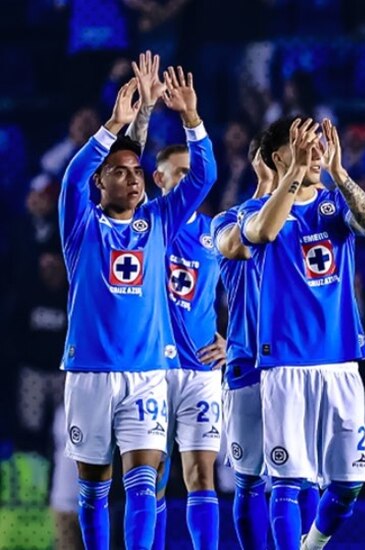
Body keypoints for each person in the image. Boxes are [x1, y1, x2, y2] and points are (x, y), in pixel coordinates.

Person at [59, 64, 216, 549]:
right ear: (100, 183)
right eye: (118, 172)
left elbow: (203, 177)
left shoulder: (159, 223)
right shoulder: (82, 227)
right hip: (89, 371)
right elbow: (73, 176)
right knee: (94, 488)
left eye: (136, 173)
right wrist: (114, 125)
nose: (131, 179)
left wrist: (190, 117)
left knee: (145, 484)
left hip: (146, 371)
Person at [240, 115, 365, 549]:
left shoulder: (335, 203)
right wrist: (292, 175)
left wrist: (340, 175)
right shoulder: (256, 211)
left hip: (340, 359)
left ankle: (312, 545)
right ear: (277, 156)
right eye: (303, 142)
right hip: (284, 362)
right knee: (286, 481)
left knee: (348, 486)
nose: (316, 148)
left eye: (319, 141)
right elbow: (262, 233)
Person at [123, 51, 228, 550]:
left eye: (190, 173)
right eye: (177, 173)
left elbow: (253, 293)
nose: (187, 180)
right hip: (153, 365)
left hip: (203, 366)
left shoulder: (217, 233)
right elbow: (126, 160)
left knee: (202, 475)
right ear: (157, 180)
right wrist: (146, 112)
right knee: (152, 476)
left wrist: (238, 340)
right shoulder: (147, 224)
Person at [212, 136, 285, 549]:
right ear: (261, 161)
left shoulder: (311, 218)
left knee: (300, 475)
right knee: (250, 477)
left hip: (295, 362)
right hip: (246, 362)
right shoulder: (228, 220)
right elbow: (247, 243)